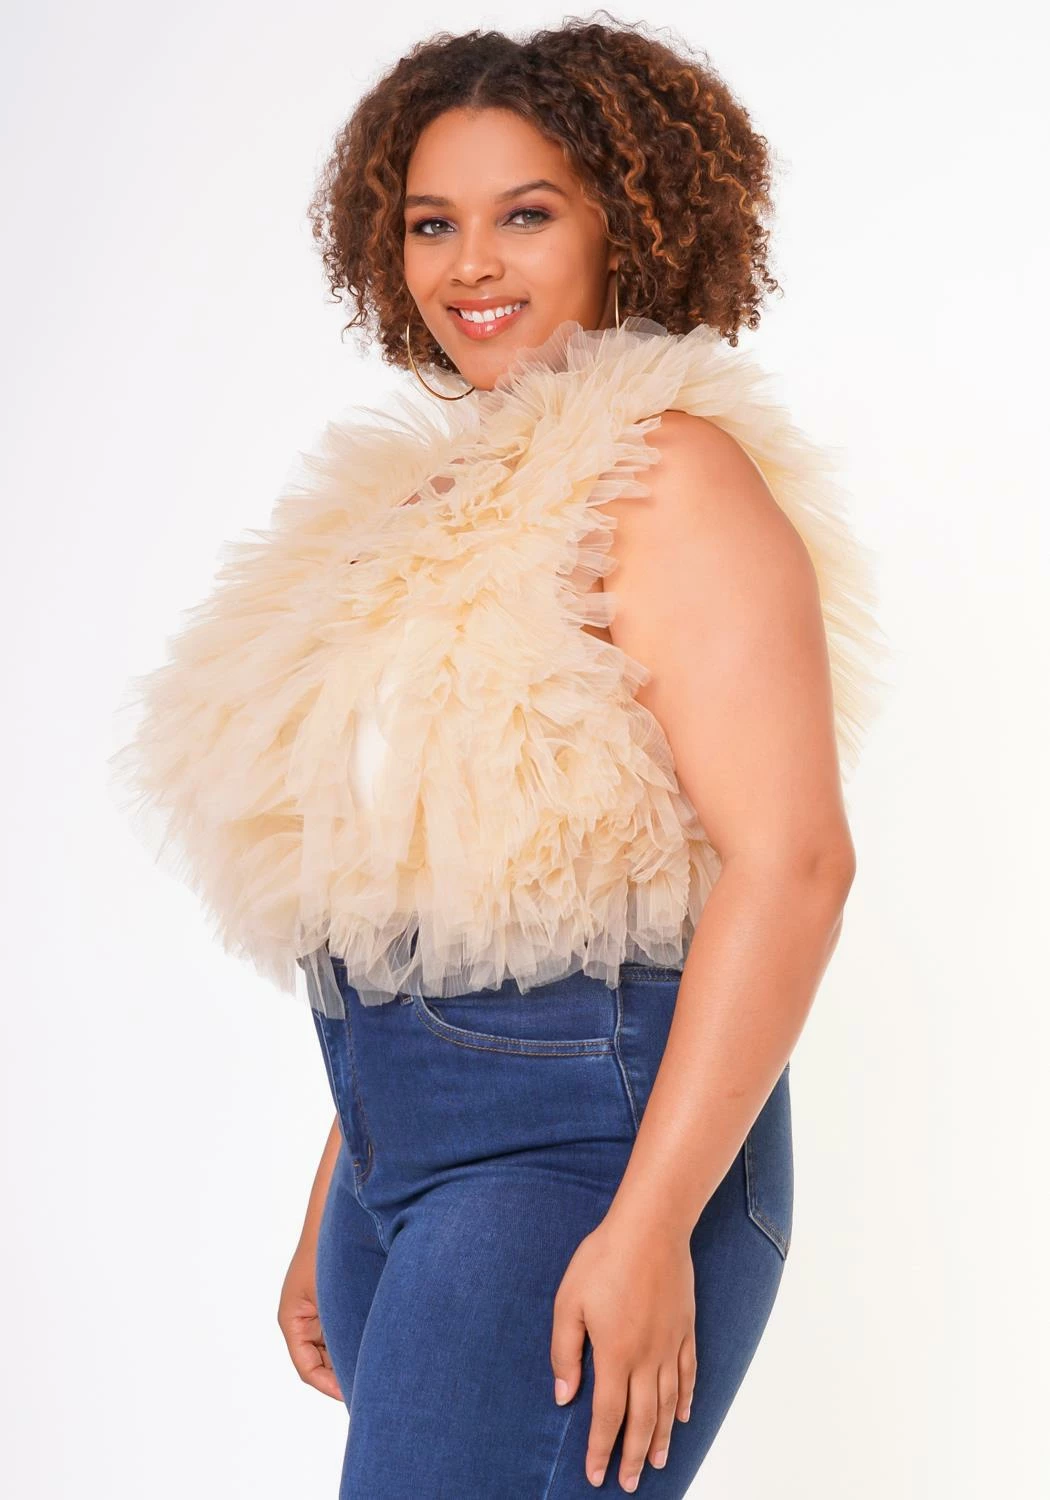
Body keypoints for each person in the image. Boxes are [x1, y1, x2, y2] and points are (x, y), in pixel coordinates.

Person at [109, 17, 887, 1497]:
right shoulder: (432, 509)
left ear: (626, 224)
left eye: (526, 215)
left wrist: (651, 1224)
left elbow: (793, 865)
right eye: (431, 224)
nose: (471, 264)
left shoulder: (664, 475)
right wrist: (347, 1179)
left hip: (586, 1155)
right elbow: (439, 884)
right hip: (400, 1162)